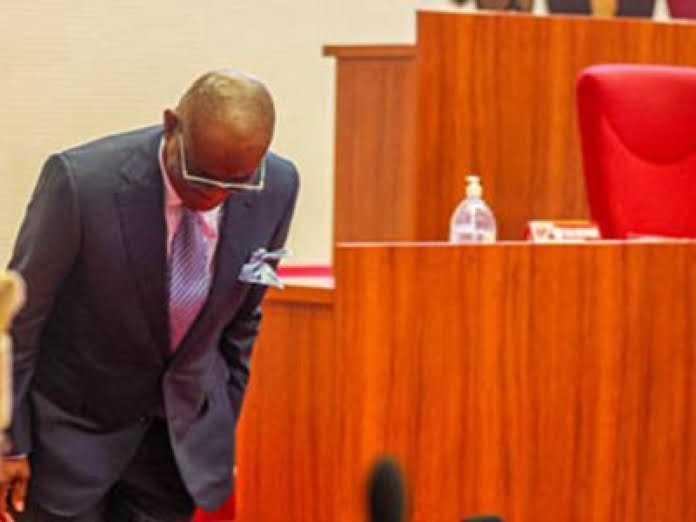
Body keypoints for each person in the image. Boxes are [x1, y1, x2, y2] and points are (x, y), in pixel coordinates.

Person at [0, 69, 299, 521]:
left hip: (175, 452)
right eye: (200, 177)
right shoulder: (82, 184)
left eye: (235, 184)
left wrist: (219, 422)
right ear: (172, 126)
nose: (215, 197)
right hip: (69, 442)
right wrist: (10, 442)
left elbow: (242, 321)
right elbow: (21, 320)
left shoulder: (278, 185)